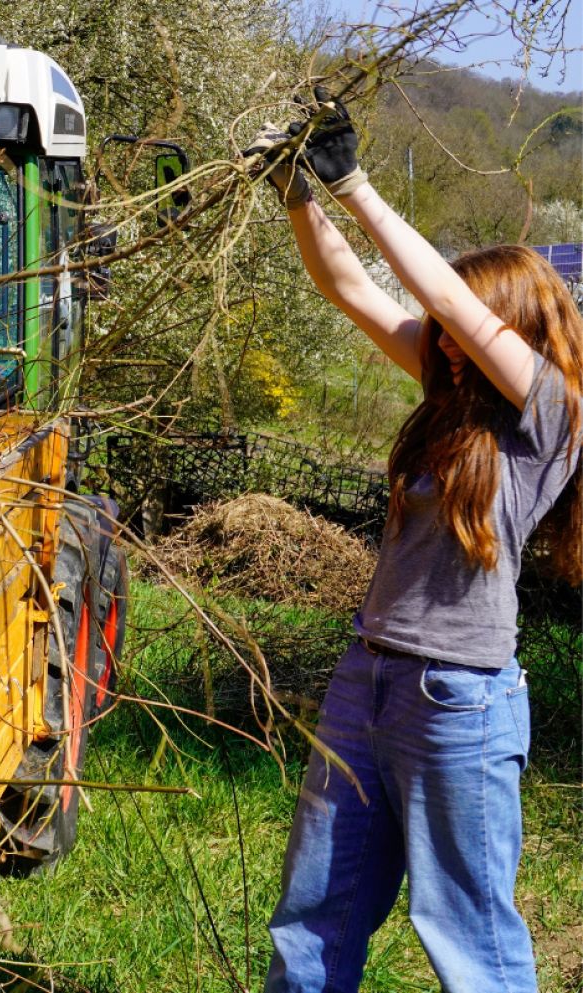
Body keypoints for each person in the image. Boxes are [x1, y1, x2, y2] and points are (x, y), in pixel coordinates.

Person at [245, 90, 582, 992]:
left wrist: (353, 182)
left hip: (459, 701)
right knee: (313, 918)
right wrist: (296, 191)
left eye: (467, 325)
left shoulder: (552, 414)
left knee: (469, 937)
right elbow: (351, 289)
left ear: (517, 322)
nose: (446, 340)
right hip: (369, 676)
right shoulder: (449, 398)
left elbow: (448, 304)